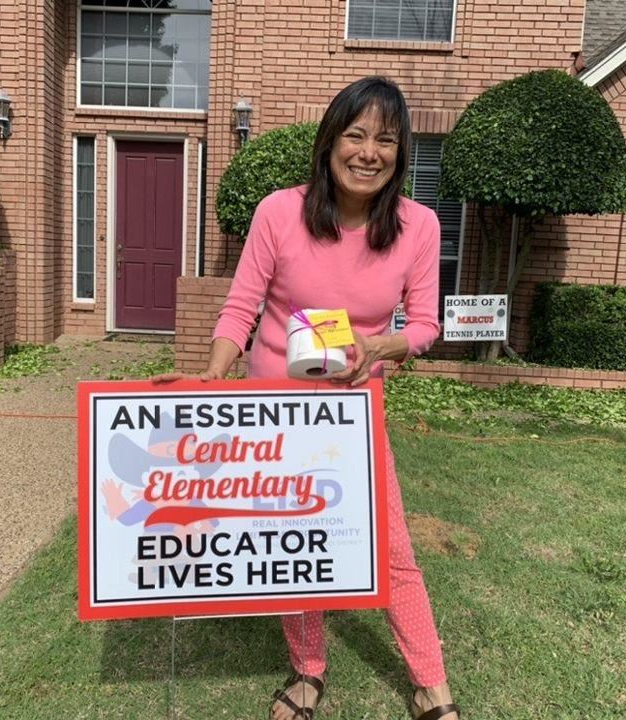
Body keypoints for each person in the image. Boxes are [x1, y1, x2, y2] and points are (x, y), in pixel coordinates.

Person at [155, 76, 459, 720]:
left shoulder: (419, 226)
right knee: (294, 547)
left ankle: (431, 681)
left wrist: (388, 346)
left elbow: (427, 324)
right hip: (272, 411)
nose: (369, 152)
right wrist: (212, 381)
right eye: (355, 135)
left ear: (402, 154)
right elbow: (241, 308)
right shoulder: (278, 212)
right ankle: (307, 671)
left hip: (350, 416)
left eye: (387, 140)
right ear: (329, 143)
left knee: (392, 548)